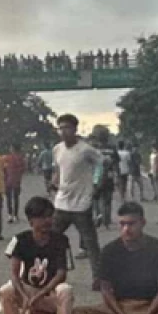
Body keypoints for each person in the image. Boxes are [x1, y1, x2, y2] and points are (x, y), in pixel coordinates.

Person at [0, 196, 81, 314]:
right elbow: (14, 273)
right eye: (41, 217)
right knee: (5, 292)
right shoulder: (19, 240)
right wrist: (25, 296)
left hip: (48, 293)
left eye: (50, 216)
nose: (47, 221)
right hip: (27, 290)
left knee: (66, 290)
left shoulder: (61, 241)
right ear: (31, 220)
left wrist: (40, 294)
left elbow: (61, 274)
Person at [49, 114, 103, 287]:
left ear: (75, 129)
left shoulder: (86, 150)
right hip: (62, 203)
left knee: (90, 243)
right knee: (50, 239)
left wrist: (95, 184)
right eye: (61, 128)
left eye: (67, 128)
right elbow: (58, 169)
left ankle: (98, 277)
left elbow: (100, 164)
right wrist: (54, 181)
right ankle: (49, 273)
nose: (64, 131)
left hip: (81, 204)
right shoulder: (57, 149)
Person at [3, 143, 27, 223]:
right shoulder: (21, 158)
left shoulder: (7, 158)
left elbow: (3, 169)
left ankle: (10, 215)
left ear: (12, 148)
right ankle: (16, 215)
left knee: (8, 198)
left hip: (7, 181)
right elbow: (23, 169)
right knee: (16, 198)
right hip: (17, 181)